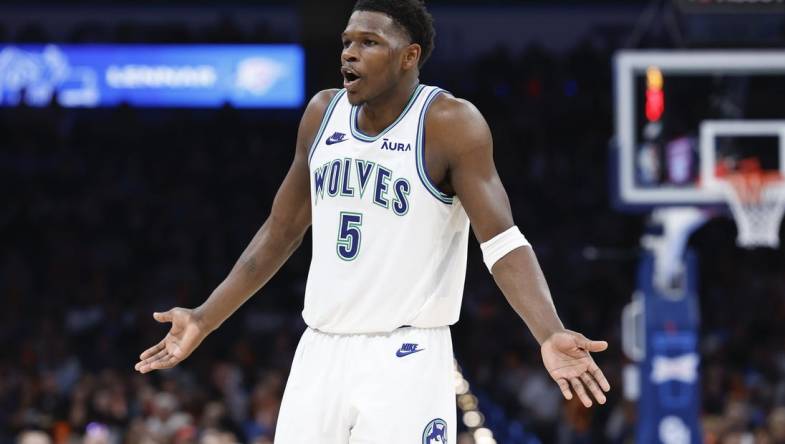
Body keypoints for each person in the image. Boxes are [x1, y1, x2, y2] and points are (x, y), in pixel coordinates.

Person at [135, 0, 611, 442]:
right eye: (346, 42)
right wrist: (205, 317)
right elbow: (281, 231)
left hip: (404, 356)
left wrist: (548, 331)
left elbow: (503, 242)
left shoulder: (449, 122)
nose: (350, 54)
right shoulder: (322, 113)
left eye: (369, 43)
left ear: (409, 56)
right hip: (320, 349)